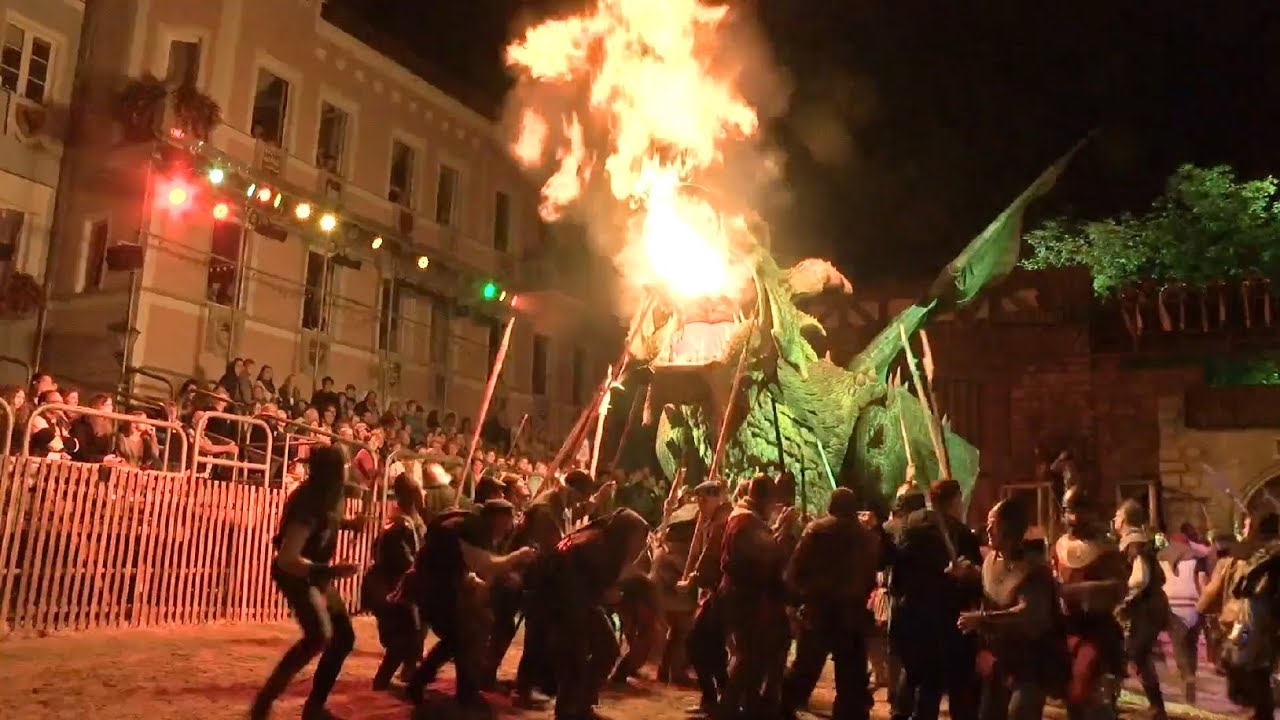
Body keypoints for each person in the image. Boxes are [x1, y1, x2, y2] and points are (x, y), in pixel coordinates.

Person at [251, 446, 367, 720]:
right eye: (344, 465)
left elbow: (330, 519)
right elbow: (288, 559)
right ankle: (263, 702)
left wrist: (350, 523)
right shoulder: (308, 503)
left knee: (343, 638)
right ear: (334, 471)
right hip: (296, 575)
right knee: (318, 636)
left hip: (317, 574)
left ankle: (314, 707)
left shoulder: (331, 493)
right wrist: (332, 571)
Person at [402, 499, 536, 709]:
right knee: (466, 635)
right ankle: (466, 693)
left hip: (434, 584)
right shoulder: (472, 528)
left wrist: (476, 580)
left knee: (457, 637)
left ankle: (422, 683)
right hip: (431, 588)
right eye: (508, 522)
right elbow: (485, 563)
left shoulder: (466, 523)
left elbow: (461, 563)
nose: (510, 529)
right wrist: (517, 557)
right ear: (498, 518)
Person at [527, 508, 650, 720]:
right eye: (639, 539)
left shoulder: (606, 545)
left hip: (578, 603)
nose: (641, 545)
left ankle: (582, 704)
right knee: (573, 657)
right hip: (558, 605)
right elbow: (565, 582)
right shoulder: (594, 547)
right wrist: (602, 596)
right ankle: (568, 710)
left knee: (607, 648)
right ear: (625, 534)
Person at [957, 498, 1065, 720]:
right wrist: (969, 574)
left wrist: (983, 619)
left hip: (1030, 663)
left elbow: (1029, 613)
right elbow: (995, 589)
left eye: (993, 523)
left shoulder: (1034, 569)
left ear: (1010, 527)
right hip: (999, 661)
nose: (987, 528)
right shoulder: (990, 561)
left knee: (1019, 714)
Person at [781, 487, 881, 720]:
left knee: (804, 670)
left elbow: (795, 570)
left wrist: (796, 599)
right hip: (852, 614)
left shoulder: (816, 530)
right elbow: (870, 576)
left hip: (819, 610)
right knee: (851, 680)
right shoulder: (866, 537)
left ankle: (782, 710)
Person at [889, 479, 982, 720]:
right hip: (945, 622)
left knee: (912, 675)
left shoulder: (907, 526)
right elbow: (974, 582)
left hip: (909, 614)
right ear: (955, 500)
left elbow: (896, 574)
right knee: (939, 683)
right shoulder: (960, 534)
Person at [718, 474, 789, 718]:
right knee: (749, 658)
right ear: (763, 499)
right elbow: (765, 553)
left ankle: (748, 706)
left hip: (748, 597)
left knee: (753, 657)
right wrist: (784, 532)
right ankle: (728, 708)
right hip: (745, 598)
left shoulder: (748, 519)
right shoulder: (744, 521)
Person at [1052, 487, 1127, 720]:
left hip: (1097, 632)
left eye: (1077, 511)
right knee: (1073, 699)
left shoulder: (1105, 548)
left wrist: (1074, 591)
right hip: (1067, 630)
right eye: (1067, 511)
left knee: (1091, 695)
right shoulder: (1059, 546)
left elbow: (1118, 588)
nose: (1072, 518)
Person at [364, 472, 427, 691]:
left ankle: (406, 671)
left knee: (412, 631)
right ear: (411, 495)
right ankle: (383, 679)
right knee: (405, 633)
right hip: (388, 585)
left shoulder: (411, 519)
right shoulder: (401, 524)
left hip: (401, 584)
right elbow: (401, 557)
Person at [1113, 500, 1169, 720]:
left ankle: (1112, 700)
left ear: (1125, 519)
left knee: (1130, 653)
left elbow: (1140, 579)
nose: (1115, 519)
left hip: (1144, 608)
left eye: (1117, 515)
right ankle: (1155, 706)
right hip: (1149, 607)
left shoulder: (1133, 542)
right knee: (1138, 656)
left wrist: (1123, 600)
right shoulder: (1140, 540)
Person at [681, 480, 733, 717]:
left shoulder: (722, 523)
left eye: (705, 499)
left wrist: (693, 579)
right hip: (718, 594)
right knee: (713, 648)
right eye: (698, 499)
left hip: (719, 594)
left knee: (695, 643)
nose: (700, 504)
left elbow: (710, 556)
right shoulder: (715, 521)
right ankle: (721, 698)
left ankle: (715, 698)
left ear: (717, 498)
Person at [1158, 527, 1206, 703]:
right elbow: (1202, 583)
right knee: (1192, 645)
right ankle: (1191, 674)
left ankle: (1186, 676)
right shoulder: (1198, 558)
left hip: (1172, 604)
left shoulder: (1161, 556)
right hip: (1194, 604)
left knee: (1179, 645)